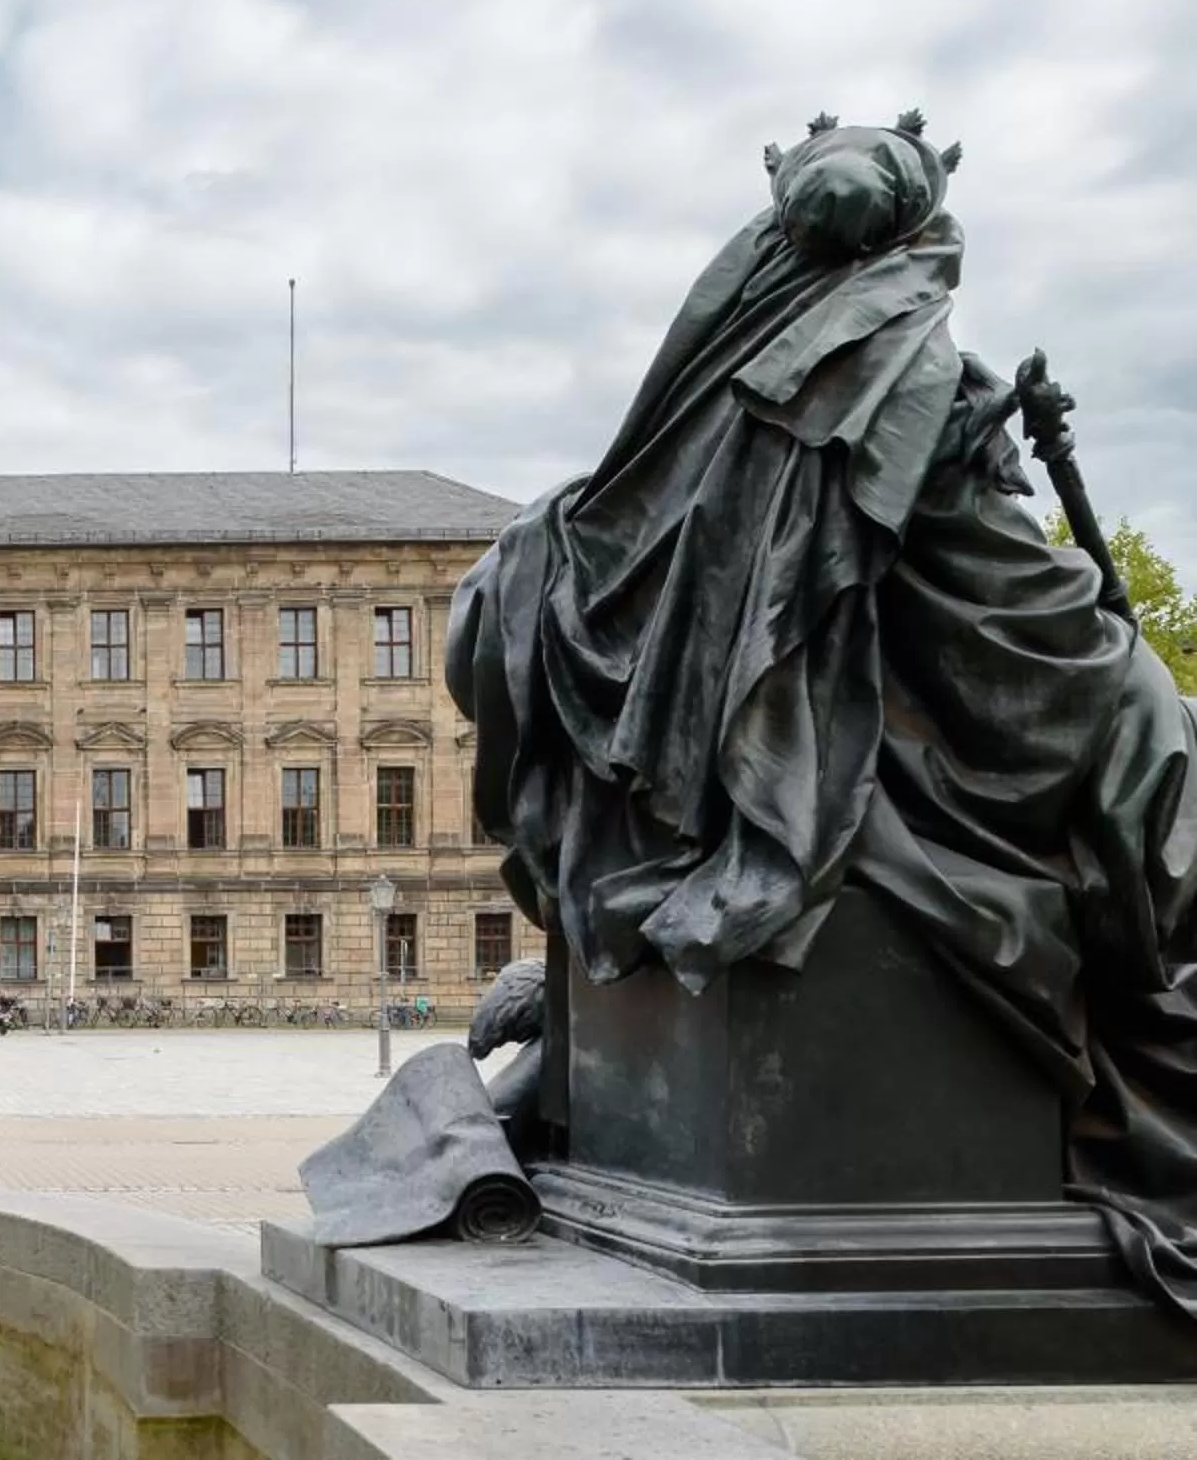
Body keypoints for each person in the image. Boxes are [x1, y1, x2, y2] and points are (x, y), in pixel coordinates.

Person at [452, 114, 1197, 1316]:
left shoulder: (701, 405)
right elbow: (1026, 616)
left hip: (831, 720)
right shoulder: (913, 367)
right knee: (1155, 724)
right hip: (897, 725)